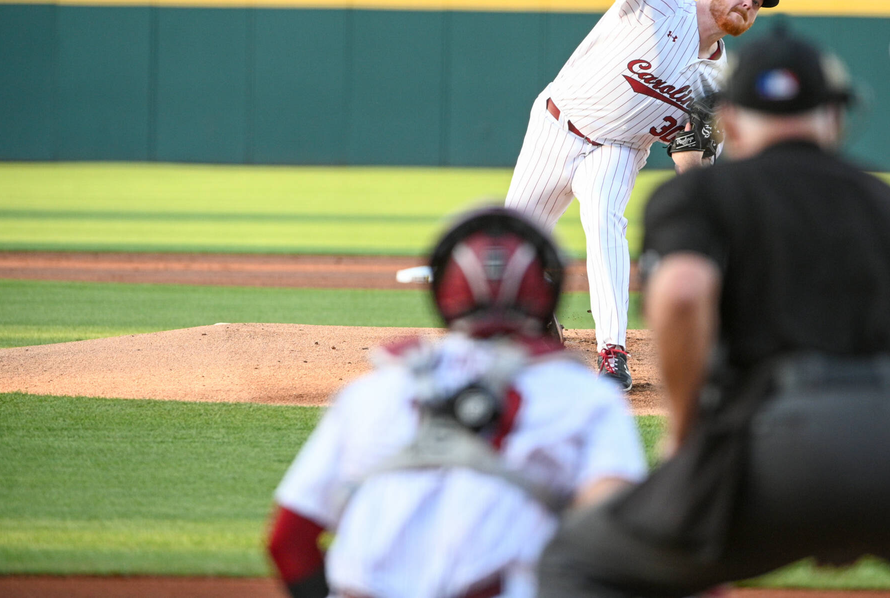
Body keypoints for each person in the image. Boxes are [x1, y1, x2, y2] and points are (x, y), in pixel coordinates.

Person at [536, 24, 890, 598]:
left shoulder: (702, 194)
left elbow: (680, 293)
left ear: (732, 121)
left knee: (577, 560)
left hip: (776, 453)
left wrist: (684, 433)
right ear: (835, 118)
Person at [267, 207, 647, 598]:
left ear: (443, 293)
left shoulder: (374, 390)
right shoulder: (585, 397)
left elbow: (288, 543)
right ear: (546, 296)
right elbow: (623, 541)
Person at [504, 0, 779, 391]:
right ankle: (534, 317)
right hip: (557, 122)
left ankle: (613, 352)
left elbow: (689, 169)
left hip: (618, 149)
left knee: (605, 224)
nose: (748, 4)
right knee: (511, 243)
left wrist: (697, 158)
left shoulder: (719, 82)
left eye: (757, 3)